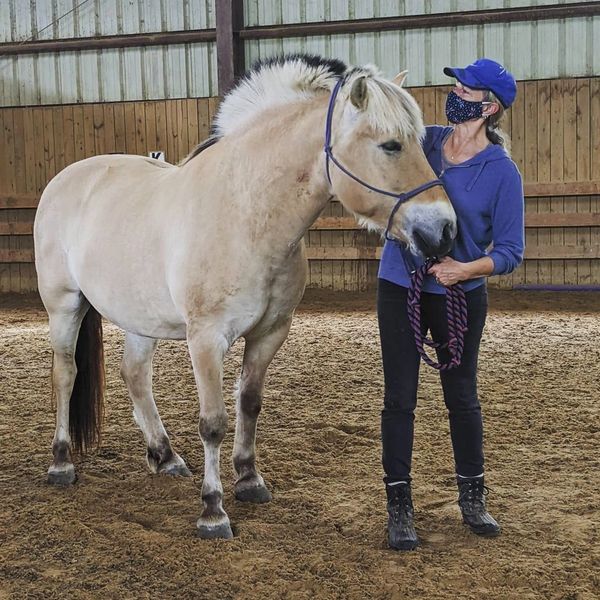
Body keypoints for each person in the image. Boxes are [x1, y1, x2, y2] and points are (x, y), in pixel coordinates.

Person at [377, 58, 524, 551]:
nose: (455, 91)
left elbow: (508, 251)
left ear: (489, 107)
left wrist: (463, 270)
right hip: (401, 285)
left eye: (465, 88)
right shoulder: (426, 143)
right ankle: (399, 507)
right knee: (399, 398)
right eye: (456, 84)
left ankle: (473, 498)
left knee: (461, 398)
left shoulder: (502, 172)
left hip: (461, 294)